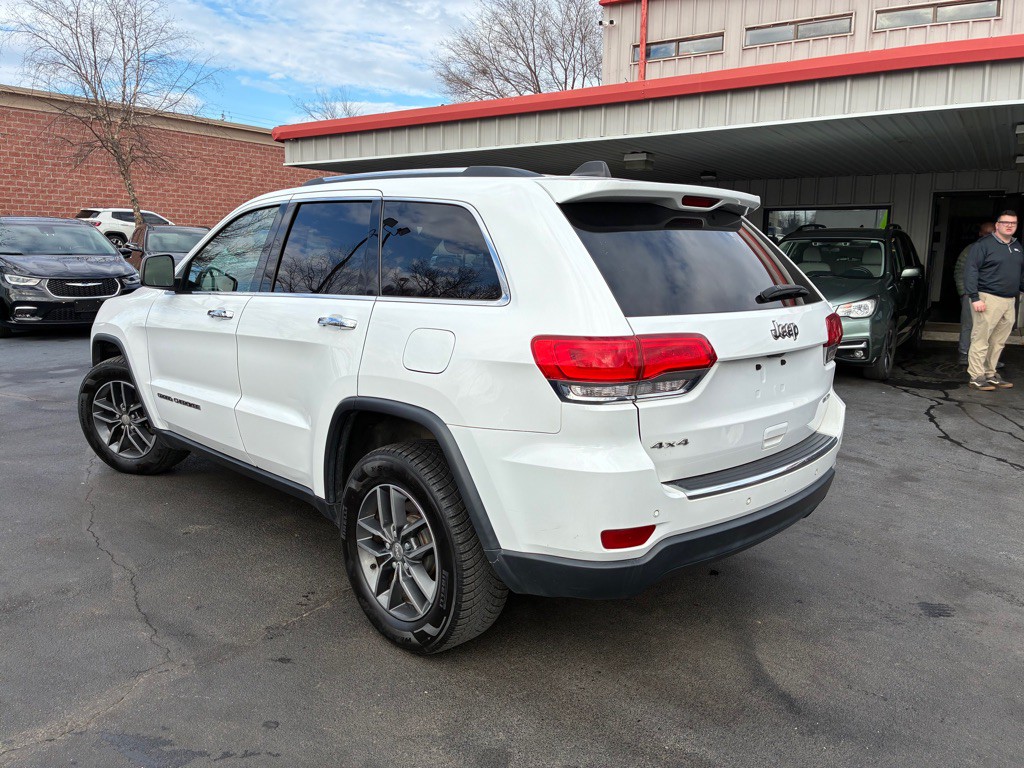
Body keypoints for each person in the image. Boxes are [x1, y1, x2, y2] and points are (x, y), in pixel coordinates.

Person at [964, 211, 1024, 390]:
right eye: (1005, 222)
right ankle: (976, 376)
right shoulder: (983, 245)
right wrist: (974, 297)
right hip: (987, 298)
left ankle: (990, 373)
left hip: (1009, 300)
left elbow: (1019, 273)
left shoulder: (1017, 245)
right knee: (981, 339)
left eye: (1013, 223)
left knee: (998, 341)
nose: (1009, 225)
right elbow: (971, 270)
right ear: (997, 225)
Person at [954, 221, 995, 365]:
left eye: (993, 233)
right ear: (980, 234)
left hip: (992, 294)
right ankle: (964, 354)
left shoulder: (999, 250)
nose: (990, 236)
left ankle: (987, 358)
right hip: (971, 294)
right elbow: (959, 271)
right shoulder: (971, 249)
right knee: (968, 325)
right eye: (987, 233)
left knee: (989, 327)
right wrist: (964, 293)